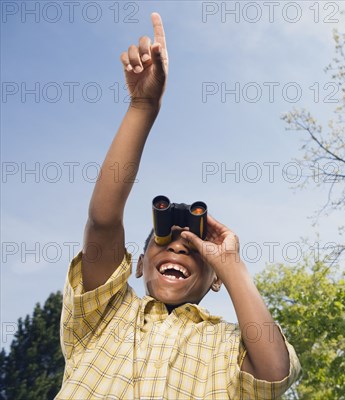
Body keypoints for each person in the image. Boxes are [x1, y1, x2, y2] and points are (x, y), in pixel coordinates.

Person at [56, 13, 301, 399]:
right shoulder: (105, 316)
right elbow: (103, 222)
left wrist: (231, 263)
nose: (177, 247)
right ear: (137, 264)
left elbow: (273, 373)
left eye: (193, 249)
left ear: (216, 278)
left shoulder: (229, 345)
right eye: (165, 240)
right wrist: (142, 107)